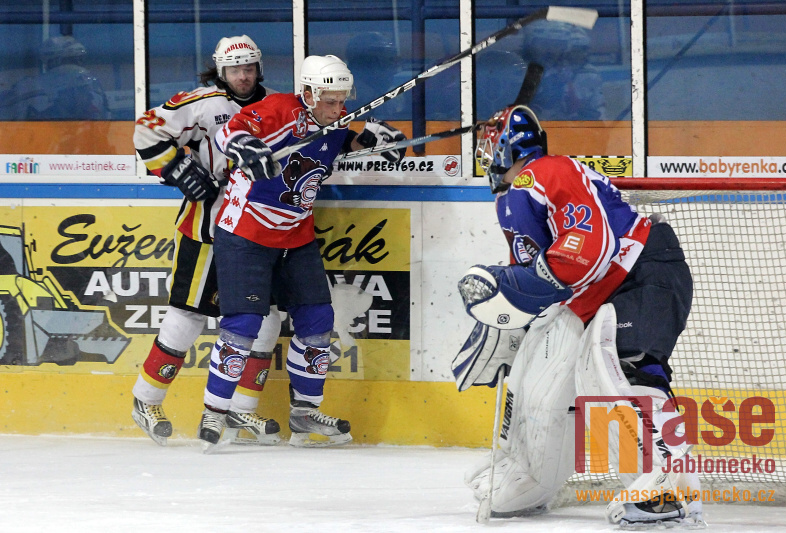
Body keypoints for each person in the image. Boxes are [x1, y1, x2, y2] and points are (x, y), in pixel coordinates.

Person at [453, 105, 703, 527]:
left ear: (511, 145)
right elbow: (537, 271)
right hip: (592, 291)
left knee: (623, 368)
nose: (485, 152)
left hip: (640, 269)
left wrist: (520, 286)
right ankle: (531, 478)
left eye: (491, 142)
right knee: (540, 376)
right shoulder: (510, 199)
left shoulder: (548, 171)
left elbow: (591, 245)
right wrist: (512, 319)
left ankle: (669, 489)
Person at [206, 54, 406, 447]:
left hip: (296, 237)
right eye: (330, 101)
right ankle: (214, 411)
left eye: (343, 101)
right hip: (246, 234)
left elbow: (346, 144)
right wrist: (247, 148)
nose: (338, 108)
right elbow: (227, 132)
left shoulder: (335, 122)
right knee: (243, 325)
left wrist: (375, 143)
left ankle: (304, 412)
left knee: (317, 321)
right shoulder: (280, 109)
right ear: (310, 93)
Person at [131, 35, 282, 447]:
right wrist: (177, 168)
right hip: (209, 226)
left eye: (249, 67)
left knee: (266, 317)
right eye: (235, 69)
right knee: (187, 315)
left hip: (260, 227)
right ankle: (146, 399)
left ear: (258, 67)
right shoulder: (202, 103)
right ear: (221, 70)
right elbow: (145, 131)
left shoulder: (276, 105)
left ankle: (241, 408)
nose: (243, 76)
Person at [12, 35, 110, 120]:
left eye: (79, 60)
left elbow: (105, 122)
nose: (77, 65)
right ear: (54, 62)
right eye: (72, 60)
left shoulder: (93, 88)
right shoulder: (31, 89)